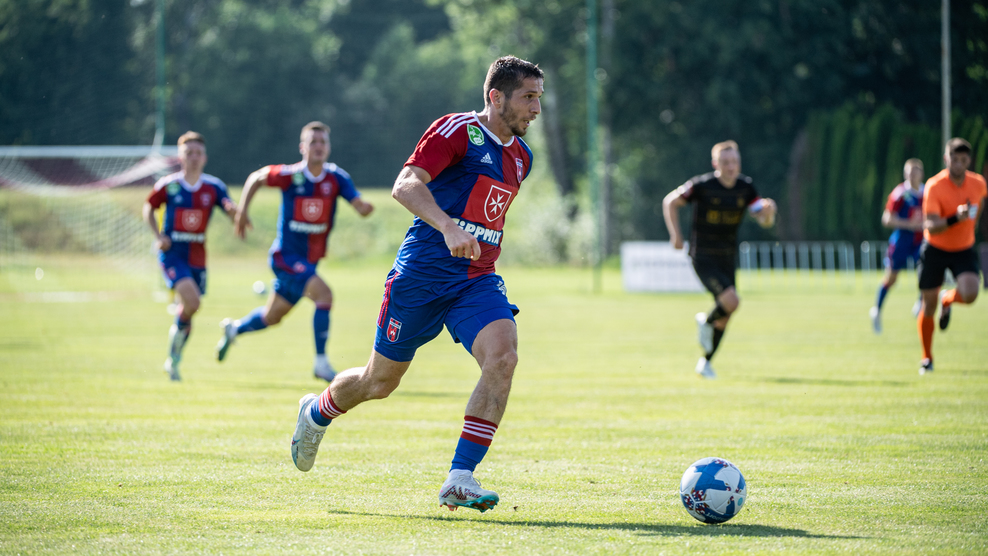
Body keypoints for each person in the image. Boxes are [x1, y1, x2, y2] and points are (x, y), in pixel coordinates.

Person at [288, 56, 544, 513]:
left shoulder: (522, 157)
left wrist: (472, 239)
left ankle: (459, 477)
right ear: (496, 96)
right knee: (379, 382)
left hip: (475, 280)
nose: (536, 108)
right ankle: (317, 412)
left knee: (503, 357)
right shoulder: (457, 131)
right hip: (420, 278)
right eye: (528, 97)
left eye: (539, 98)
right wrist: (448, 227)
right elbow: (405, 184)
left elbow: (486, 217)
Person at [215, 121, 374, 381]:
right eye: (313, 142)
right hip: (285, 257)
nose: (319, 146)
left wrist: (363, 208)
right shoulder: (291, 175)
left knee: (272, 317)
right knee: (324, 295)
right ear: (303, 147)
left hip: (309, 262)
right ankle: (321, 364)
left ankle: (234, 329)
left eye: (323, 142)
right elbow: (256, 178)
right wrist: (242, 211)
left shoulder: (336, 178)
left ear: (329, 147)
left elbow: (357, 203)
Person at [662, 140, 777, 379]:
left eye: (734, 161)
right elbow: (670, 202)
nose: (731, 166)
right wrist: (676, 236)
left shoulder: (746, 188)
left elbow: (763, 220)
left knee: (725, 314)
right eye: (725, 162)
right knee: (732, 302)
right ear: (715, 164)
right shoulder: (702, 186)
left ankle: (705, 362)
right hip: (703, 256)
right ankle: (705, 322)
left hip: (727, 257)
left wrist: (769, 213)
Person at [143, 131, 236, 381]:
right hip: (172, 254)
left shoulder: (213, 187)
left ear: (205, 157)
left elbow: (228, 206)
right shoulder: (169, 185)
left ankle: (173, 359)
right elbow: (149, 207)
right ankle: (173, 358)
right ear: (180, 157)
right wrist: (158, 236)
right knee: (193, 303)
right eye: (189, 153)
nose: (194, 157)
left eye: (198, 153)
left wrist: (235, 213)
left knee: (189, 309)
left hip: (198, 258)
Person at [915, 138, 987, 375]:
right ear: (946, 159)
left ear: (969, 161)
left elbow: (980, 205)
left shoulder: (978, 183)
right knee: (928, 305)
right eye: (953, 159)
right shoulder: (934, 185)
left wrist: (969, 226)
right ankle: (927, 358)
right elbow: (931, 225)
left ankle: (948, 299)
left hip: (963, 248)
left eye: (963, 160)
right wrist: (957, 218)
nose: (958, 164)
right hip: (935, 248)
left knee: (971, 293)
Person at [870, 159, 925, 333]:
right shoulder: (900, 193)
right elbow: (886, 219)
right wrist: (909, 224)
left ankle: (920, 303)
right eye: (909, 172)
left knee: (927, 272)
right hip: (901, 241)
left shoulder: (928, 192)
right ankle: (877, 310)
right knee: (891, 279)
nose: (912, 175)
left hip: (920, 241)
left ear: (921, 173)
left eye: (915, 171)